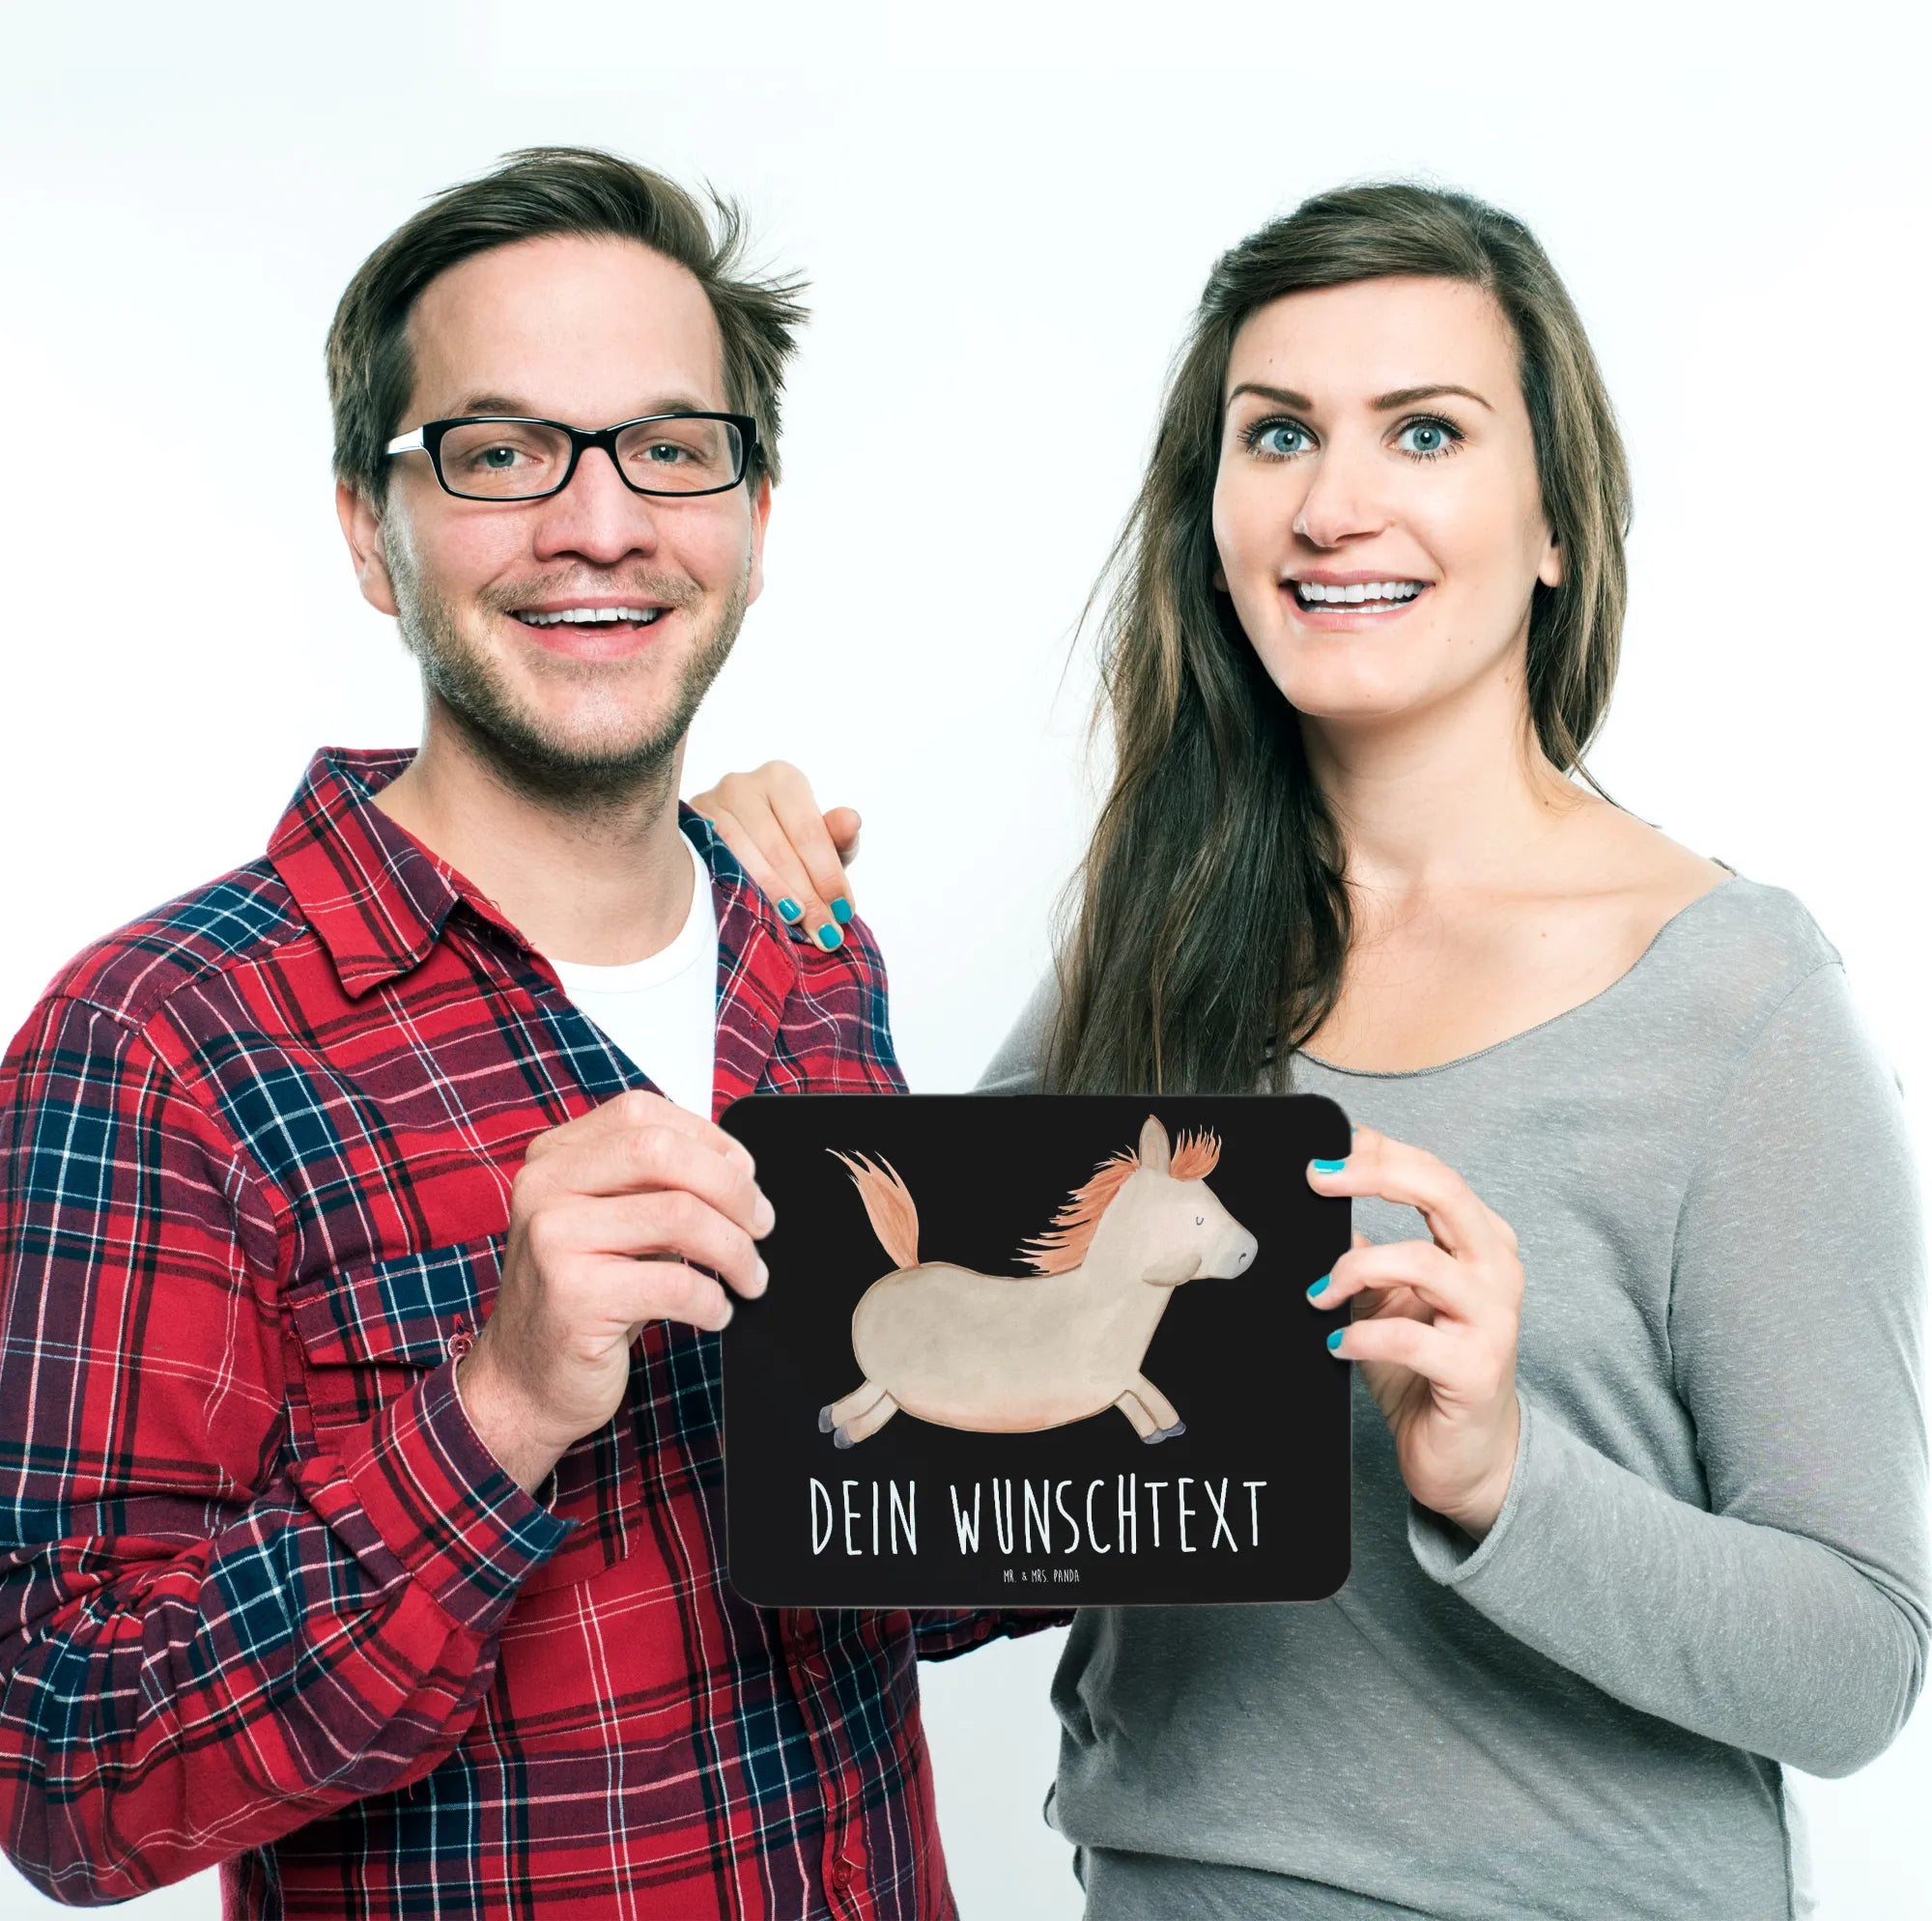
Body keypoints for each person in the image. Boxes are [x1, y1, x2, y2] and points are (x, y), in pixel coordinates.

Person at [691, 182, 1929, 1918]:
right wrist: (727, 917)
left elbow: (1857, 1665)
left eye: (1425, 431)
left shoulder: (1737, 1002)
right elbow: (886, 1412)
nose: (1334, 506)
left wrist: (1503, 1478)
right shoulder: (1153, 937)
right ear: (1211, 514)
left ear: (1557, 522)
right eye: (1277, 433)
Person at [0, 147, 1051, 1918]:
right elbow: (66, 1778)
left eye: (671, 448)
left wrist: (1209, 1399)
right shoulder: (160, 1046)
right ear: (371, 531)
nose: (602, 524)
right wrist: (496, 1410)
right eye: (500, 455)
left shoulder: (808, 951)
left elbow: (895, 1579)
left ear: (754, 517)